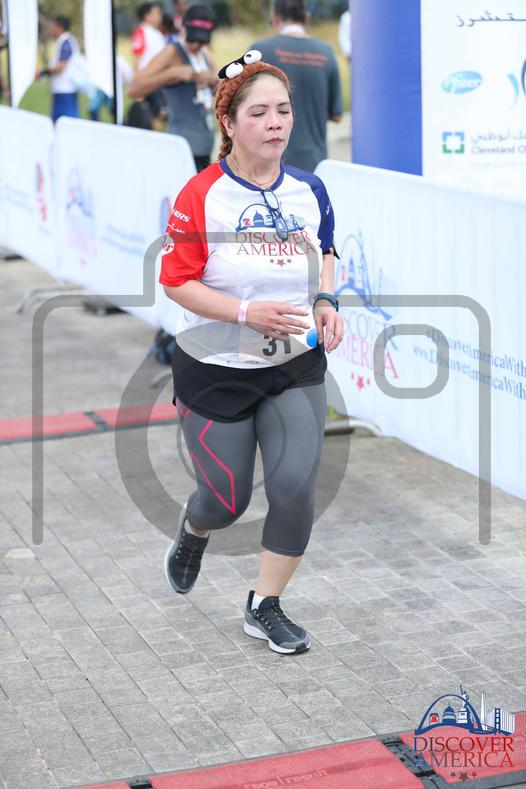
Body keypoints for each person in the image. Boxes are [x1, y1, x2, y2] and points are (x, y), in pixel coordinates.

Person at [159, 51, 344, 655]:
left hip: (293, 363)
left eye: (283, 111)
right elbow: (176, 281)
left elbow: (326, 251)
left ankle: (265, 604)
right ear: (229, 123)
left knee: (294, 486)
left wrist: (325, 300)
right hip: (215, 367)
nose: (275, 123)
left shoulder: (309, 188)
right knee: (225, 501)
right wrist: (244, 312)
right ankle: (195, 529)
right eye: (259, 113)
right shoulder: (202, 193)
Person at [250, 0, 343, 172]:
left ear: (274, 17)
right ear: (305, 18)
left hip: (270, 164)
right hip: (315, 164)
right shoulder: (326, 52)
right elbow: (336, 115)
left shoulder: (259, 51)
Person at [128, 5, 218, 173]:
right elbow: (133, 89)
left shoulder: (205, 52)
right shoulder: (171, 52)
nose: (196, 45)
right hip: (181, 147)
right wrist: (172, 74)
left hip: (205, 143)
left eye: (201, 41)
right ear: (183, 28)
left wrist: (214, 82)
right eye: (193, 39)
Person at [35, 16, 81, 123]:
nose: (51, 29)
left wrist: (43, 72)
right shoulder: (64, 41)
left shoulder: (66, 41)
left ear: (59, 27)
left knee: (66, 123)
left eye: (53, 26)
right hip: (63, 90)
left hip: (65, 90)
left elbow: (61, 66)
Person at [131, 2, 166, 122]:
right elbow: (137, 58)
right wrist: (136, 81)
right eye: (156, 13)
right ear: (147, 16)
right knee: (157, 112)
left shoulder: (157, 33)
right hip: (149, 79)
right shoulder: (141, 32)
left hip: (160, 78)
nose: (160, 16)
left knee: (161, 112)